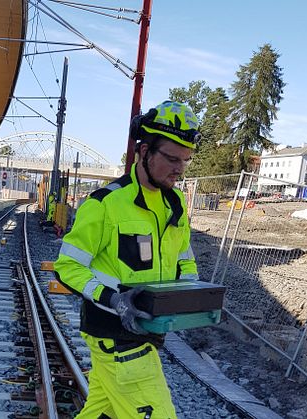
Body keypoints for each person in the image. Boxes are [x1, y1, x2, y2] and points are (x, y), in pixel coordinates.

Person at [54, 101, 201, 418]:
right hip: (115, 335)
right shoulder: (105, 204)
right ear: (144, 151)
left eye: (186, 161)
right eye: (172, 158)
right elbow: (68, 266)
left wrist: (190, 293)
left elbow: (184, 258)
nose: (179, 168)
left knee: (102, 413)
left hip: (149, 332)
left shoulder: (175, 204)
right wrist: (113, 298)